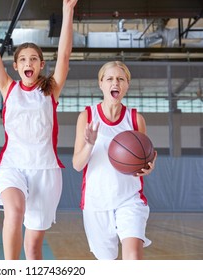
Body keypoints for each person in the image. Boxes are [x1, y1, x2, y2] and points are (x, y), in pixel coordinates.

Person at [0, 0, 78, 260]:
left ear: (40, 65)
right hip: (13, 165)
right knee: (14, 212)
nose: (28, 62)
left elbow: (65, 57)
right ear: (16, 66)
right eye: (23, 59)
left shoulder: (51, 90)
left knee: (34, 248)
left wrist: (68, 12)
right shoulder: (8, 88)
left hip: (45, 170)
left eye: (34, 59)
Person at [72, 61, 157, 260]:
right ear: (101, 84)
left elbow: (145, 156)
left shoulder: (136, 119)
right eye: (109, 79)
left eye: (120, 79)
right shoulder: (87, 116)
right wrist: (90, 144)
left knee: (133, 256)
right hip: (97, 202)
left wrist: (149, 166)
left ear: (127, 84)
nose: (115, 83)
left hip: (129, 198)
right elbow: (77, 165)